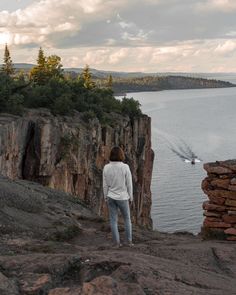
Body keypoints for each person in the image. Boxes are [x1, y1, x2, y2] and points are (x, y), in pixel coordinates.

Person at [103, 146, 134, 248]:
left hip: (111, 196)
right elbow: (129, 184)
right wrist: (131, 197)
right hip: (123, 197)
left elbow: (105, 184)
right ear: (121, 155)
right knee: (127, 219)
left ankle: (116, 243)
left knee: (113, 220)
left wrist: (105, 196)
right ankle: (128, 242)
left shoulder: (106, 167)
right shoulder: (125, 167)